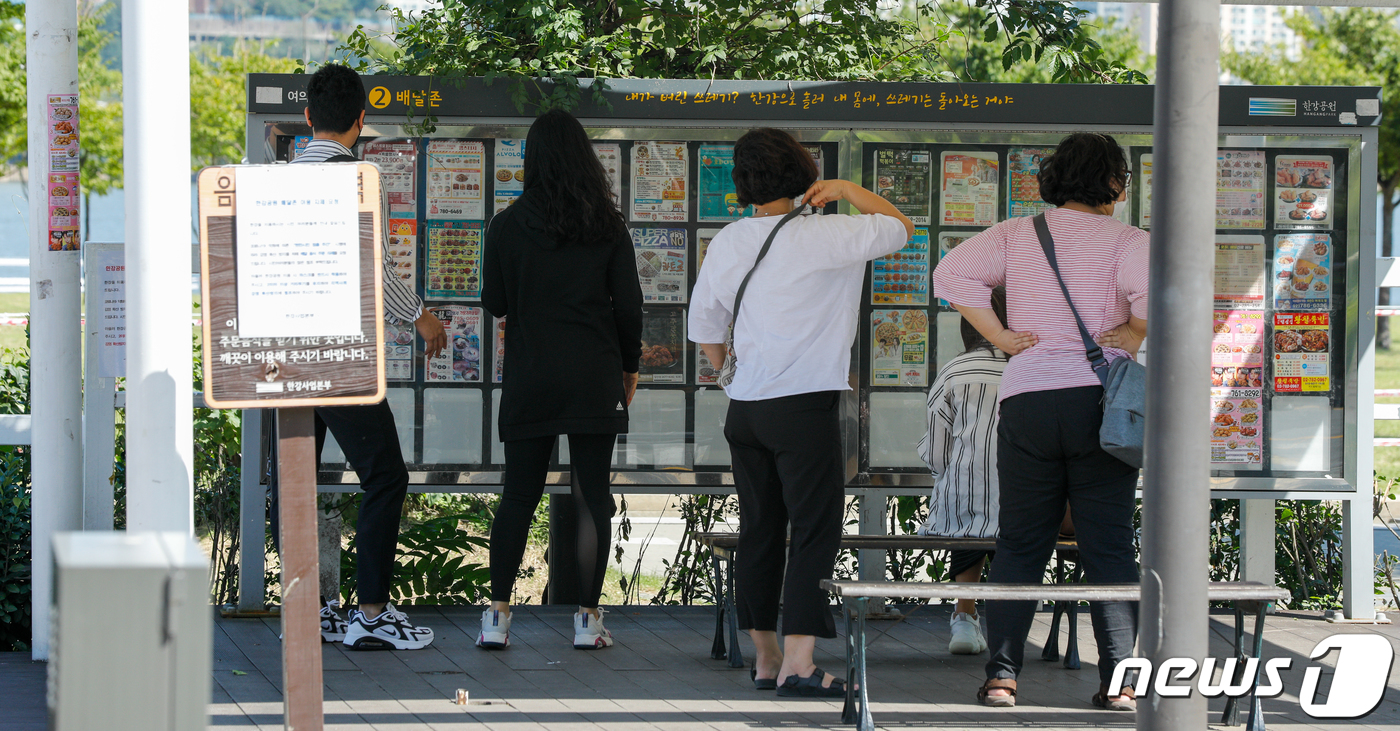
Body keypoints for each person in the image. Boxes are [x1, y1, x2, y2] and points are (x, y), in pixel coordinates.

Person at [689, 128, 912, 696]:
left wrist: (731, 374)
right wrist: (847, 187)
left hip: (746, 411)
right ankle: (800, 663)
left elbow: (706, 329)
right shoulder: (829, 233)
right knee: (814, 530)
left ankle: (765, 659)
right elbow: (899, 227)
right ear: (803, 175)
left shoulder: (729, 241)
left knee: (760, 529)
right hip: (803, 406)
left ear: (742, 183)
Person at [933, 132, 1147, 711]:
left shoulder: (1015, 235)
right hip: (1097, 404)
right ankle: (1120, 682)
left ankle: (1001, 678)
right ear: (1111, 183)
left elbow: (949, 274)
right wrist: (1133, 332)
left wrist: (1000, 336)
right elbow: (1161, 295)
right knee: (1107, 544)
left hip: (1026, 400)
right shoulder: (1129, 241)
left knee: (1021, 541)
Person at [270, 63, 447, 651]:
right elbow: (376, 266)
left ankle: (311, 609)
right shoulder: (358, 180)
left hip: (281, 357)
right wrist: (419, 316)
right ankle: (370, 614)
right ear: (361, 120)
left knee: (295, 479)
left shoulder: (274, 180)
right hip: (338, 354)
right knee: (386, 476)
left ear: (307, 119)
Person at [478, 109, 644, 651]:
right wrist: (629, 367)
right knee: (593, 495)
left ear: (530, 161)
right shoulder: (606, 226)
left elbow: (496, 303)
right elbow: (630, 307)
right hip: (594, 375)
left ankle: (497, 619)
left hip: (531, 377)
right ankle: (587, 620)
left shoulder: (505, 225)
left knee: (518, 495)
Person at [915, 286, 1009, 656]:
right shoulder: (1033, 367)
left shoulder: (957, 370)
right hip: (1027, 503)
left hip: (963, 501)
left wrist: (953, 470)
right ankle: (1007, 619)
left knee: (965, 502)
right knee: (1003, 517)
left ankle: (965, 618)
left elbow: (937, 454)